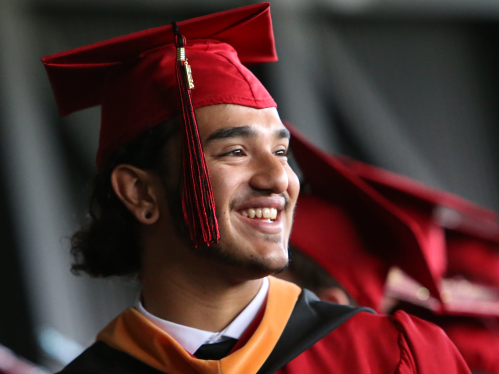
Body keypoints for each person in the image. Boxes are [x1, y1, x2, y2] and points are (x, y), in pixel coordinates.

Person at [42, 3, 471, 373]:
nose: (278, 178)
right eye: (235, 152)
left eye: (281, 153)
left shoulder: (393, 357)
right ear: (139, 192)